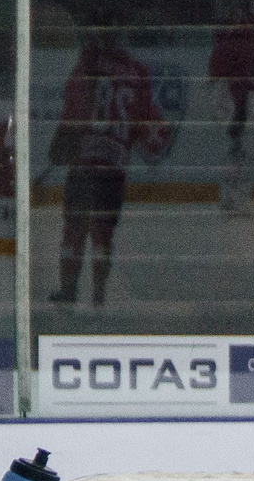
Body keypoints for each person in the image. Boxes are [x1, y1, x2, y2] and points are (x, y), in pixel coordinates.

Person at [46, 24, 169, 307]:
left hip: (83, 162)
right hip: (113, 164)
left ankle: (68, 288)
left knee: (74, 227)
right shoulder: (137, 73)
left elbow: (73, 108)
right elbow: (144, 120)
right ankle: (98, 294)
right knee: (103, 232)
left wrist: (62, 138)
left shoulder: (86, 66)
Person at [208, 0, 254, 213]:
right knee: (241, 147)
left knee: (236, 147)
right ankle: (236, 197)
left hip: (236, 94)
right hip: (235, 95)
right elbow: (238, 68)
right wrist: (243, 100)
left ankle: (230, 195)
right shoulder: (246, 32)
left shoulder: (253, 33)